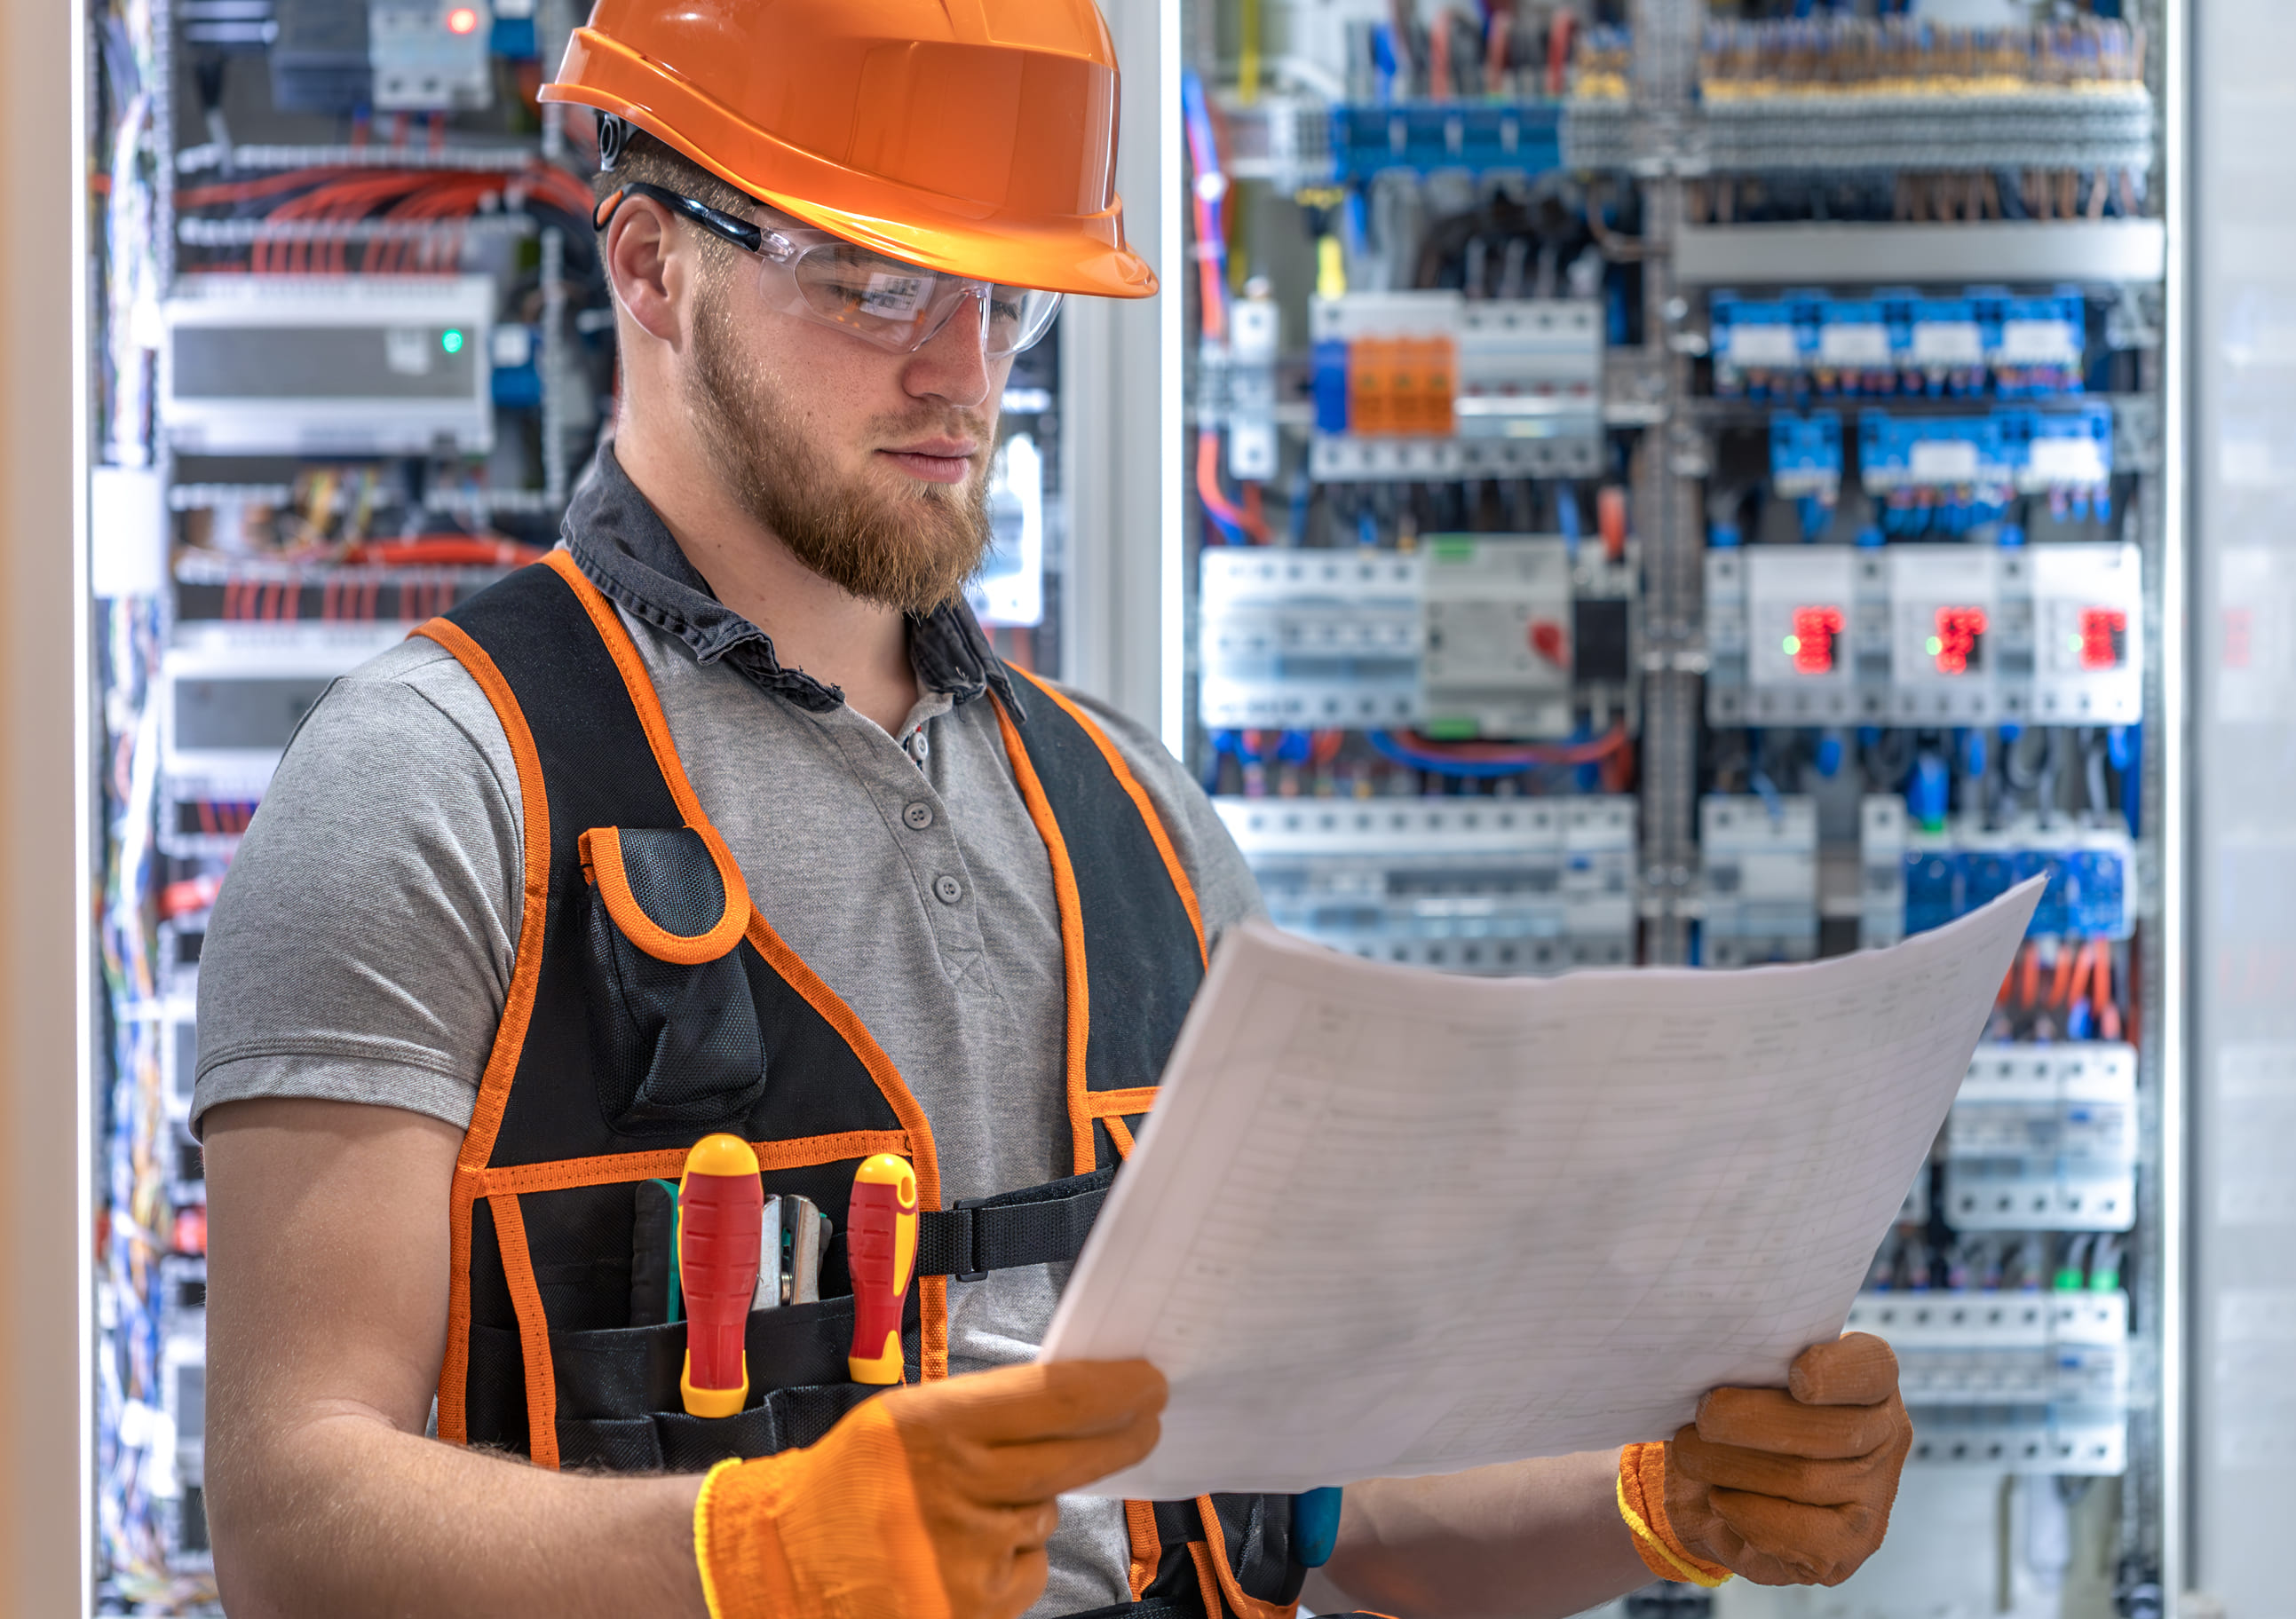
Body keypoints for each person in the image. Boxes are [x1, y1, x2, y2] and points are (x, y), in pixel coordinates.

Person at [194, 4, 1912, 1616]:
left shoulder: (1136, 820)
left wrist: (1658, 1500)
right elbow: (291, 1515)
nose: (965, 372)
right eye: (876, 282)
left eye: (1008, 299)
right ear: (651, 261)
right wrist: (752, 1557)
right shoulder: (444, 780)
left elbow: (1313, 1504)